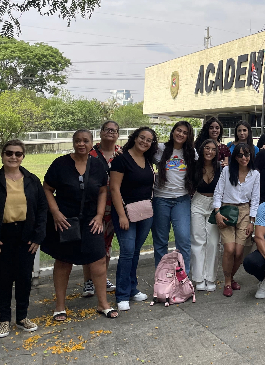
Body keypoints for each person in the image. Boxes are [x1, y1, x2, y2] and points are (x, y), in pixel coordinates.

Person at [0, 140, 48, 338]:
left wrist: (38, 236)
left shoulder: (32, 180)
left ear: (23, 156)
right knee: (4, 279)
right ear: (2, 154)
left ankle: (22, 317)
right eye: (9, 153)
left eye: (18, 154)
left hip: (26, 236)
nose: (13, 157)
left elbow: (42, 209)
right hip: (1, 238)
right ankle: (4, 321)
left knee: (24, 278)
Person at [42, 129, 118, 320]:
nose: (81, 144)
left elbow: (102, 190)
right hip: (65, 221)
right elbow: (47, 188)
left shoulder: (98, 165)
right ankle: (60, 306)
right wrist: (56, 213)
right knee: (63, 261)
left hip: (91, 221)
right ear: (73, 142)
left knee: (99, 260)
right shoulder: (60, 164)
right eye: (77, 141)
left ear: (92, 143)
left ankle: (103, 304)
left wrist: (100, 215)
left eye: (85, 141)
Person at [109, 127, 158, 311]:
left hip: (144, 212)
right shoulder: (121, 160)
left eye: (149, 140)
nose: (144, 142)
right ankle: (121, 294)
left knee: (135, 251)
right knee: (127, 251)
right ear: (135, 138)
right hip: (125, 213)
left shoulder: (147, 160)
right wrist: (122, 215)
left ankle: (132, 288)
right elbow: (114, 188)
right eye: (142, 138)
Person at [213, 143, 260, 297]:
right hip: (227, 210)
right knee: (230, 249)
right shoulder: (227, 171)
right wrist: (217, 212)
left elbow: (255, 199)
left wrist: (252, 221)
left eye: (246, 154)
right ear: (235, 157)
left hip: (245, 212)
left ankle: (232, 277)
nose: (243, 158)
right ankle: (227, 282)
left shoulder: (255, 174)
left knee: (240, 251)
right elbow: (218, 192)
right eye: (239, 155)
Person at [81, 121, 120, 298]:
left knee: (107, 245)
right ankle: (88, 281)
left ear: (118, 134)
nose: (110, 133)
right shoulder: (90, 153)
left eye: (114, 131)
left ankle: (102, 278)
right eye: (107, 130)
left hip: (114, 206)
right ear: (101, 132)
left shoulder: (121, 153)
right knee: (91, 244)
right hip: (92, 205)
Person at [153, 121, 197, 272]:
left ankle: (184, 279)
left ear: (188, 136)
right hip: (161, 200)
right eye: (179, 130)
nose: (181, 134)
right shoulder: (160, 149)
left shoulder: (192, 153)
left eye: (185, 133)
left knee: (183, 239)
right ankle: (162, 280)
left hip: (181, 200)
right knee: (160, 242)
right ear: (173, 132)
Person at [191, 139, 222, 292]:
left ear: (217, 152)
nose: (210, 151)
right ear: (202, 150)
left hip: (214, 206)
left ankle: (210, 277)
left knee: (213, 242)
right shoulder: (195, 166)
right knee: (198, 241)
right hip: (198, 203)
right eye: (207, 148)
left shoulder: (220, 168)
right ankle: (198, 278)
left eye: (213, 149)